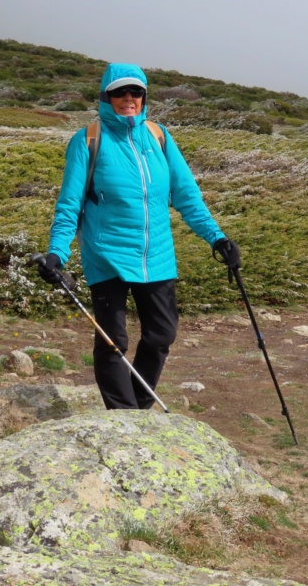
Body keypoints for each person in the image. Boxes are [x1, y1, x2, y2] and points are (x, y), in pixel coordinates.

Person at [35, 62, 240, 409]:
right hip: (107, 256)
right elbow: (69, 205)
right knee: (113, 340)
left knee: (162, 335)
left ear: (145, 97)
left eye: (136, 92)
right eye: (119, 92)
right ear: (106, 96)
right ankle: (123, 415)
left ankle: (140, 407)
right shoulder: (88, 140)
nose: (128, 98)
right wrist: (57, 253)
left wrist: (217, 238)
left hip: (157, 255)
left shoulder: (158, 137)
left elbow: (186, 195)